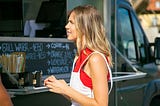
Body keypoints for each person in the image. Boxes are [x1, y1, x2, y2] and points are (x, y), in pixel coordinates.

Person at [44, 5, 113, 106]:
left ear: (84, 27)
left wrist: (66, 89)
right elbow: (78, 100)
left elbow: (101, 104)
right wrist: (61, 88)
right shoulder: (78, 56)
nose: (66, 26)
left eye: (71, 22)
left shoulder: (95, 59)